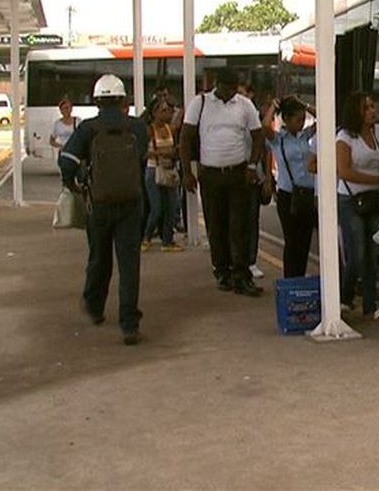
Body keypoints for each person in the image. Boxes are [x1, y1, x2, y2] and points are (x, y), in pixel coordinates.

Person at [58, 75, 149, 345]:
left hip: (98, 205)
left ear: (97, 100)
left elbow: (66, 162)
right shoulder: (137, 128)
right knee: (129, 264)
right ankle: (129, 325)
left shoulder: (88, 128)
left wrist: (74, 183)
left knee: (99, 257)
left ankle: (95, 307)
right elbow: (141, 158)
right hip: (131, 204)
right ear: (123, 100)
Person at [179, 69, 265, 297]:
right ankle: (222, 272)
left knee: (240, 226)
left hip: (238, 173)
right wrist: (187, 172)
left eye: (234, 88)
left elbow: (258, 137)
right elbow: (185, 138)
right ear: (217, 85)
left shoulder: (245, 105)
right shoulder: (201, 103)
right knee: (216, 224)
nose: (230, 92)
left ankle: (241, 275)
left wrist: (252, 166)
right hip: (210, 175)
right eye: (227, 88)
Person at [335, 91, 379, 318]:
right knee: (356, 253)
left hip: (374, 200)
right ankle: (345, 297)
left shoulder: (377, 138)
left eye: (373, 106)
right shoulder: (345, 138)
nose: (372, 111)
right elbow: (344, 171)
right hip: (350, 200)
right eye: (367, 108)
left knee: (372, 253)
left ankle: (370, 304)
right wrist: (377, 179)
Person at [264, 95, 317, 279]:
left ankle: (300, 278)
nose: (302, 123)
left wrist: (304, 104)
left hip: (308, 194)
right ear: (286, 119)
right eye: (298, 119)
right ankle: (290, 279)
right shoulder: (279, 139)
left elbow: (325, 120)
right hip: (289, 196)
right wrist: (273, 105)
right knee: (292, 241)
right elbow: (265, 126)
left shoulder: (306, 135)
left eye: (303, 119)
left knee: (305, 241)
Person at [238, 81, 274, 279]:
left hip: (253, 178)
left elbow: (266, 150)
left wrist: (267, 179)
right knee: (236, 222)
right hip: (233, 178)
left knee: (252, 220)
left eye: (244, 94)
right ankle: (237, 261)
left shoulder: (254, 123)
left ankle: (251, 261)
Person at [141, 96, 183, 252]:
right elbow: (143, 153)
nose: (167, 113)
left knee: (171, 207)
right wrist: (162, 153)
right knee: (157, 207)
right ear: (154, 113)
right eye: (163, 110)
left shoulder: (170, 129)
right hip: (153, 171)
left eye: (168, 110)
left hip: (169, 171)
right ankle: (146, 237)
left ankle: (168, 240)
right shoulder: (149, 130)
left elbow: (176, 148)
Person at [50, 96, 79, 166]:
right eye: (65, 108)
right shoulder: (57, 124)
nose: (67, 110)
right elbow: (51, 141)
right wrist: (60, 146)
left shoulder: (78, 121)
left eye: (69, 108)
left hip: (76, 153)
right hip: (64, 154)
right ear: (61, 110)